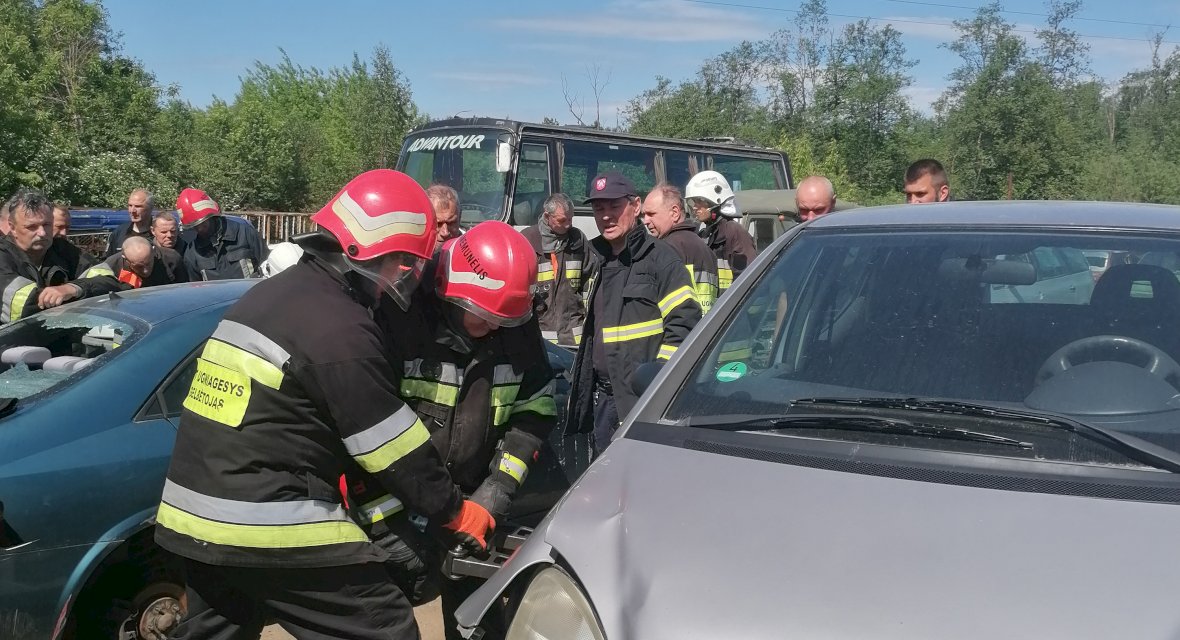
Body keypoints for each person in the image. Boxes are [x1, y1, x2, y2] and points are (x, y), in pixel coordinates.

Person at [155, 169, 495, 640]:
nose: (402, 276)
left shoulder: (274, 295)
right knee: (385, 629)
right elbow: (390, 448)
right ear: (366, 252)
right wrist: (455, 511)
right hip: (266, 518)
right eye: (402, 262)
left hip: (192, 514)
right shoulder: (340, 326)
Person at [353, 220, 555, 639]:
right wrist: (389, 523)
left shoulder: (512, 322)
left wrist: (495, 492)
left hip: (471, 507)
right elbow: (362, 426)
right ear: (450, 292)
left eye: (506, 319)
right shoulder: (399, 319)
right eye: (483, 317)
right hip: (393, 508)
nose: (496, 329)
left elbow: (535, 409)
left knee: (476, 625)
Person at [567, 171, 702, 455]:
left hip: (640, 402)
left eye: (614, 206)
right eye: (598, 208)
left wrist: (657, 385)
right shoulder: (594, 258)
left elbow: (685, 326)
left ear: (636, 205)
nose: (606, 216)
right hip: (602, 398)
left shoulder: (661, 259)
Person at [0, 189, 105, 321]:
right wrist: (80, 296)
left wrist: (72, 288)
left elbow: (108, 282)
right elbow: (26, 304)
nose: (42, 233)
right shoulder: (3, 256)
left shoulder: (62, 249)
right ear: (12, 227)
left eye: (47, 224)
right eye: (32, 227)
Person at [521, 193, 596, 347]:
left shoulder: (577, 240)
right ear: (547, 216)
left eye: (571, 219)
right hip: (540, 335)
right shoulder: (528, 240)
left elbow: (591, 280)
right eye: (562, 220)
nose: (568, 225)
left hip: (574, 336)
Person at [643, 183, 719, 314]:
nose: (645, 221)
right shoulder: (702, 245)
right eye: (644, 215)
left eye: (651, 214)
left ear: (675, 212)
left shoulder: (665, 249)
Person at [687, 170, 756, 296]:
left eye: (699, 201)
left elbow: (747, 277)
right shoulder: (703, 232)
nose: (695, 207)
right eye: (693, 202)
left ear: (715, 201)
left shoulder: (734, 232)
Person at [175, 188, 269, 280]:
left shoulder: (245, 233)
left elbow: (267, 268)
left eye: (203, 223)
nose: (199, 229)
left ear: (212, 217)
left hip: (251, 295)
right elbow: (195, 290)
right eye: (195, 226)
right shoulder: (193, 252)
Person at [81, 236, 188, 291]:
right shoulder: (111, 266)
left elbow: (185, 290)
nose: (145, 271)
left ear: (153, 251)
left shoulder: (172, 258)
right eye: (139, 266)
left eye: (148, 263)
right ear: (125, 258)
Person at [48, 202, 97, 277]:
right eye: (59, 227)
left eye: (67, 227)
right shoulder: (30, 253)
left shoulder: (75, 255)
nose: (64, 233)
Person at [105, 188, 155, 257]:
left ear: (150, 208)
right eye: (130, 206)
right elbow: (108, 262)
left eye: (138, 206)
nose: (132, 211)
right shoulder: (120, 232)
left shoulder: (161, 233)